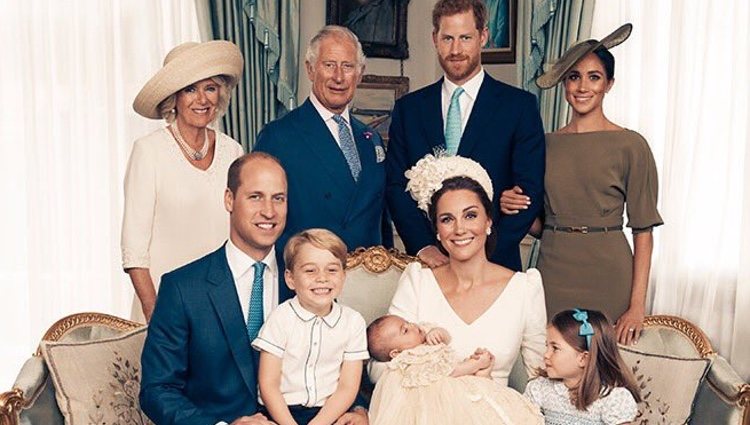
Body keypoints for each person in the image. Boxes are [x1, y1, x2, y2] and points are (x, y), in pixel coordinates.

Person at [499, 24, 663, 344]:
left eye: (594, 76)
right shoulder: (543, 145)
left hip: (609, 272)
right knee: (552, 364)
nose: (582, 86)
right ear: (563, 84)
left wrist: (637, 305)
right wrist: (512, 207)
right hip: (554, 269)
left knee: (602, 368)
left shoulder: (632, 145)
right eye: (574, 76)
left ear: (609, 84)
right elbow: (541, 224)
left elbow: (643, 232)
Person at [386, 0, 545, 271]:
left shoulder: (519, 106)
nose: (456, 49)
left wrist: (485, 254)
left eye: (465, 38)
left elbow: (528, 192)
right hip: (429, 267)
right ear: (435, 39)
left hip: (497, 266)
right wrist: (424, 247)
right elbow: (395, 187)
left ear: (483, 36)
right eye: (447, 38)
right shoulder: (409, 109)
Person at [140, 152, 292, 425]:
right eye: (255, 196)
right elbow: (158, 389)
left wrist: (358, 409)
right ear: (229, 200)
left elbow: (338, 356)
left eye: (278, 198)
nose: (269, 211)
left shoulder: (307, 278)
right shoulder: (182, 288)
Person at [370, 154, 547, 388]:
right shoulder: (418, 281)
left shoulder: (524, 288)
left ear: (488, 222)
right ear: (437, 231)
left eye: (470, 215)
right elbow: (380, 366)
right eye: (446, 219)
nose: (459, 229)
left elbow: (540, 373)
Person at [123, 40, 245, 323]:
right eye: (190, 89)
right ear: (173, 98)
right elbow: (134, 250)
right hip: (162, 307)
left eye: (210, 88)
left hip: (220, 307)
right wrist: (155, 313)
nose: (202, 100)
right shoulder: (148, 151)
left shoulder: (234, 151)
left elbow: (240, 237)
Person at [254, 25, 390, 259]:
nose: (338, 77)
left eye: (347, 66)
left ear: (360, 73)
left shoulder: (371, 139)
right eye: (329, 65)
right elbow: (261, 220)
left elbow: (381, 221)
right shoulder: (278, 136)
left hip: (369, 284)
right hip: (308, 279)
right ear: (310, 69)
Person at [253, 229, 369, 425]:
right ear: (290, 279)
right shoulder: (280, 318)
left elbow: (347, 387)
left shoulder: (353, 322)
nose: (322, 278)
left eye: (332, 270)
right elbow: (268, 384)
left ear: (343, 276)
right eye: (310, 270)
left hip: (330, 413)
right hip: (280, 412)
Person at [366, 315, 544, 425]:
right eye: (405, 330)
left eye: (408, 322)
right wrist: (475, 365)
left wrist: (438, 333)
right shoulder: (411, 359)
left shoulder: (426, 339)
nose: (413, 326)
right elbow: (449, 371)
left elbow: (446, 338)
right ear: (396, 352)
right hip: (440, 402)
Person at [524, 309, 640, 424]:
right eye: (547, 346)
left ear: (583, 358)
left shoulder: (613, 399)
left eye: (555, 348)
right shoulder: (539, 388)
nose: (546, 355)